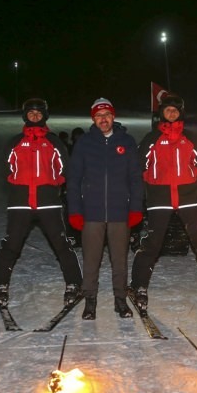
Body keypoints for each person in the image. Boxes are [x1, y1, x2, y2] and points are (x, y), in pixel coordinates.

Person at [130, 93, 197, 311]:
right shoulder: (152, 138)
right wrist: (152, 180)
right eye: (167, 110)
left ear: (180, 114)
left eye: (175, 110)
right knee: (153, 242)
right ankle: (139, 286)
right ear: (162, 113)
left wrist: (190, 177)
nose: (171, 113)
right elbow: (138, 164)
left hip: (188, 197)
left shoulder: (190, 137)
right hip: (160, 198)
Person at [0, 98, 83, 307]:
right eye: (31, 113)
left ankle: (74, 283)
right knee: (11, 244)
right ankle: (1, 283)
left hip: (47, 202)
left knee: (61, 244)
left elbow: (65, 167)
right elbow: (6, 169)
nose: (35, 116)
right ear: (25, 116)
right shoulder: (15, 141)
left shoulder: (53, 141)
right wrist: (17, 184)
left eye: (38, 113)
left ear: (44, 116)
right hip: (20, 203)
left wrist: (54, 183)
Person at [67, 98, 143, 320]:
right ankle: (90, 302)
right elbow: (73, 179)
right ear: (93, 118)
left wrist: (136, 207)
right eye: (99, 116)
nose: (103, 119)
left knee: (120, 261)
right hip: (91, 213)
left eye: (107, 115)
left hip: (121, 212)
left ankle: (121, 301)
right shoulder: (84, 143)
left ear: (113, 116)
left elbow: (136, 179)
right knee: (91, 261)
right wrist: (75, 210)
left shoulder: (126, 141)